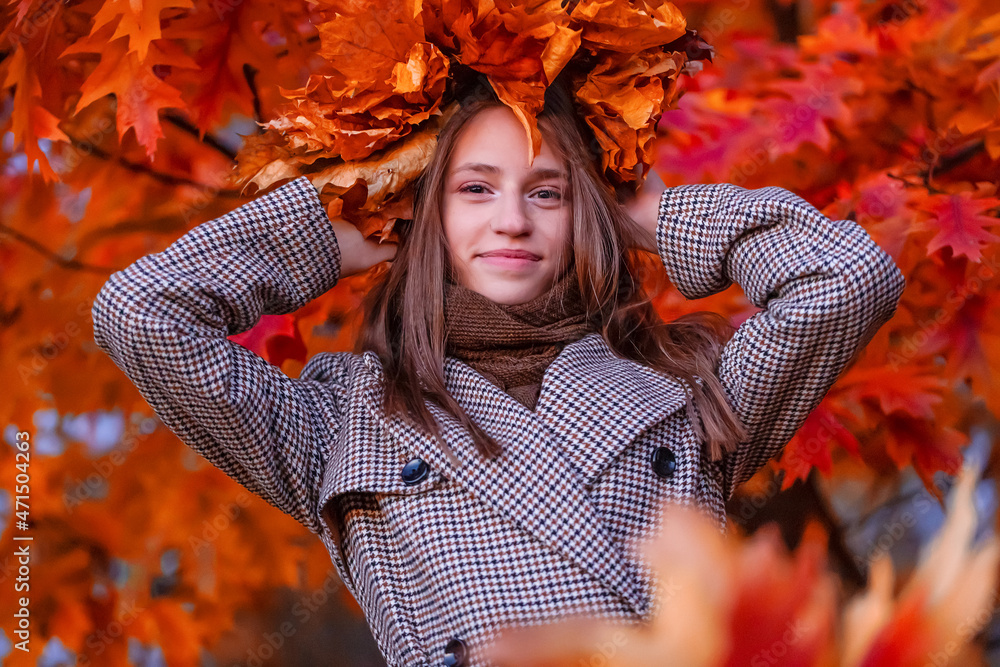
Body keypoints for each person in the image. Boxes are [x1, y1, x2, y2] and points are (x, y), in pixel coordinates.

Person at [91, 79, 906, 666]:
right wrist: (329, 229)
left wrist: (651, 216)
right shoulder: (341, 417)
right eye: (474, 189)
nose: (511, 219)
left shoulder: (683, 385)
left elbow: (846, 281)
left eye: (546, 193)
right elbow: (142, 314)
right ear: (425, 213)